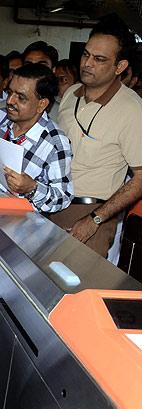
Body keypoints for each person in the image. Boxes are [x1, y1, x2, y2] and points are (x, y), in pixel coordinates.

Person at [49, 20, 142, 257]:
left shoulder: (132, 109)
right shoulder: (71, 94)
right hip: (52, 204)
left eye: (99, 60)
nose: (87, 64)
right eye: (86, 55)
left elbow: (140, 178)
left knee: (78, 290)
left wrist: (95, 219)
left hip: (90, 214)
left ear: (120, 66)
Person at [0, 63, 73, 213]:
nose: (10, 101)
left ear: (41, 104)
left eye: (21, 97)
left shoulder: (55, 142)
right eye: (10, 92)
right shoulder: (0, 118)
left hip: (22, 228)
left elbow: (63, 198)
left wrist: (32, 188)